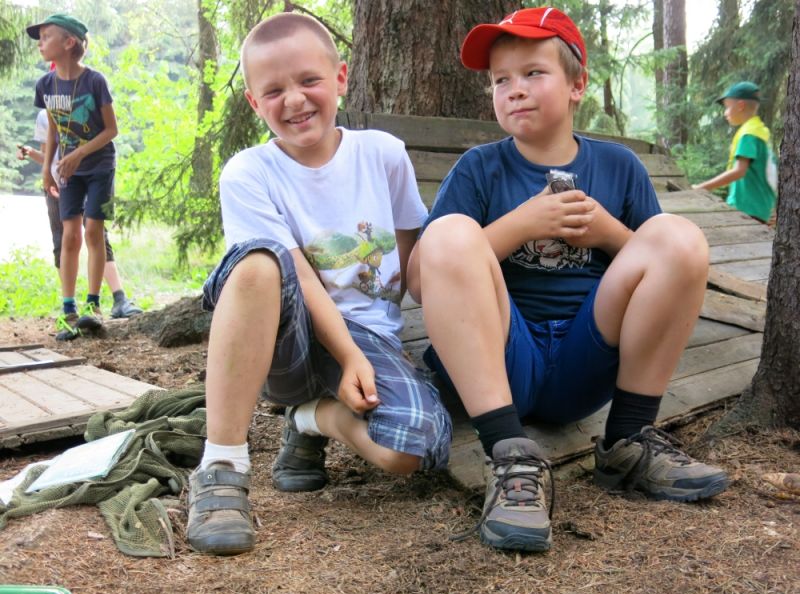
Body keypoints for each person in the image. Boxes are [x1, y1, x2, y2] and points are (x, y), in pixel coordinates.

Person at [407, 6, 729, 553]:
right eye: (500, 80)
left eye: (533, 73)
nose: (515, 90)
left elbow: (664, 266)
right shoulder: (480, 169)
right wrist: (518, 225)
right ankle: (509, 454)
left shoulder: (619, 167)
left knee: (678, 235)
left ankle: (628, 441)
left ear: (578, 84)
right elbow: (422, 275)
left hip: (589, 353)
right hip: (505, 357)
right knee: (449, 231)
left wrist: (606, 231)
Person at [185, 12, 452, 556]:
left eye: (309, 81)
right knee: (258, 262)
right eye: (274, 90)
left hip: (370, 335)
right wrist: (349, 354)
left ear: (341, 79)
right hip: (288, 336)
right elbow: (299, 276)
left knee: (414, 449)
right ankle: (222, 466)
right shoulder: (248, 172)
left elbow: (413, 251)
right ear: (255, 105)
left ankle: (309, 422)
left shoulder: (382, 154)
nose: (295, 100)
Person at [26, 14, 119, 340]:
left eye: (46, 36)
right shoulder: (45, 85)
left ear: (69, 43)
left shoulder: (95, 81)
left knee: (94, 231)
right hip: (67, 172)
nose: (40, 42)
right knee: (69, 236)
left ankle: (93, 307)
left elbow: (112, 130)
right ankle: (69, 310)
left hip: (100, 167)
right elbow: (53, 127)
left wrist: (78, 154)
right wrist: (46, 170)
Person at [17, 110, 142, 330]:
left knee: (97, 234)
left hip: (88, 176)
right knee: (63, 240)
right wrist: (31, 154)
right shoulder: (43, 116)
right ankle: (70, 308)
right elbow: (48, 157)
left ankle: (118, 298)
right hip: (58, 185)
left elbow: (106, 135)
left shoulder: (84, 103)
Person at [693, 81, 778, 226]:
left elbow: (739, 171)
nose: (725, 113)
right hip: (760, 209)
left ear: (740, 106)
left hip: (746, 209)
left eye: (727, 107)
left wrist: (701, 188)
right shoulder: (761, 131)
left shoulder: (748, 134)